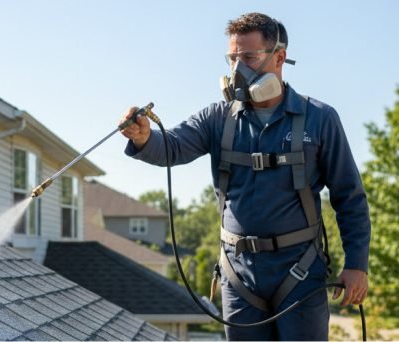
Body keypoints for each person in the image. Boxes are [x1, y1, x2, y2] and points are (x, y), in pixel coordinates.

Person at [120, 12, 370, 340]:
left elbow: (348, 196)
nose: (238, 70)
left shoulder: (319, 119)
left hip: (300, 273)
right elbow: (173, 146)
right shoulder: (218, 118)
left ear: (279, 57)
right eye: (232, 58)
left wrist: (356, 264)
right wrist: (143, 137)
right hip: (239, 277)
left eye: (249, 57)